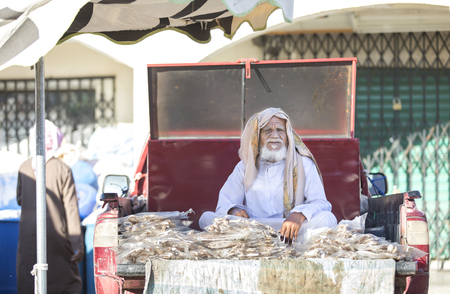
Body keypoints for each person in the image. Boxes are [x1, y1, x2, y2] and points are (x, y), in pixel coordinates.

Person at [199, 108, 337, 243]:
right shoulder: (245, 166)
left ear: (288, 136)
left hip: (291, 230)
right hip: (254, 229)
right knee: (206, 218)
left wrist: (300, 215)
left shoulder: (303, 164)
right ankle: (256, 240)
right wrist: (233, 210)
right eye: (267, 131)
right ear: (257, 137)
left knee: (327, 218)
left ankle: (278, 240)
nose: (275, 136)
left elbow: (321, 203)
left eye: (280, 130)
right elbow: (224, 204)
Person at [16, 120, 84, 294]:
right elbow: (71, 208)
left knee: (30, 279)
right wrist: (77, 243)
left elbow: (20, 199)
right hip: (56, 238)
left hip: (28, 238)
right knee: (64, 281)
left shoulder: (24, 168)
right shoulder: (63, 169)